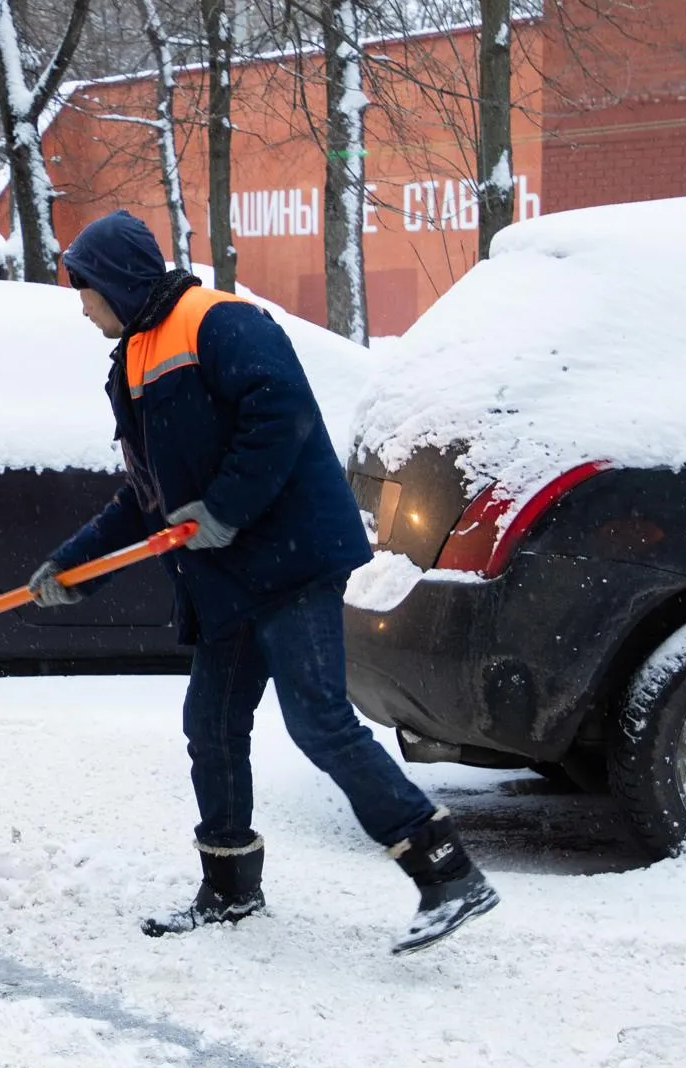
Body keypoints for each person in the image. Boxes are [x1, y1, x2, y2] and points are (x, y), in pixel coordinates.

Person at [30, 210, 498, 955]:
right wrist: (74, 566)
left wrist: (224, 508)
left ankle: (445, 869)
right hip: (230, 577)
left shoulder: (218, 321)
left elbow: (279, 416)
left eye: (85, 288)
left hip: (289, 559)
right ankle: (229, 888)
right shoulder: (135, 358)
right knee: (210, 725)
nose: (81, 305)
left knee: (318, 722)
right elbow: (143, 494)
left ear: (117, 281)